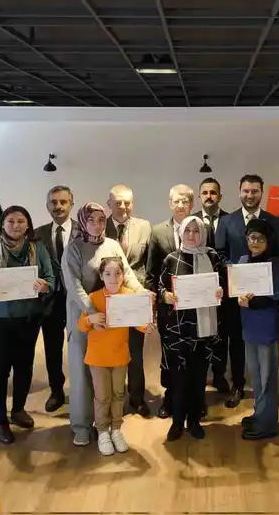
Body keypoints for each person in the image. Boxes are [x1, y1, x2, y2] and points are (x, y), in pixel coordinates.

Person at [0, 206, 55, 445]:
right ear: (2, 224)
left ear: (28, 225)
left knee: (24, 368)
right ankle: (0, 420)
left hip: (27, 319)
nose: (16, 226)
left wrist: (44, 286)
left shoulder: (38, 249)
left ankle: (18, 410)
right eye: (11, 221)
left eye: (21, 221)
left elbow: (51, 279)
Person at [63, 202, 146, 447]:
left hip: (113, 317)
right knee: (82, 372)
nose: (97, 224)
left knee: (108, 374)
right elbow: (74, 285)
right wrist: (92, 313)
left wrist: (141, 294)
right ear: (82, 221)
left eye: (101, 220)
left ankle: (109, 426)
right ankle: (81, 425)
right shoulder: (73, 248)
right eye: (91, 220)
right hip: (85, 315)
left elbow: (126, 273)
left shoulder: (111, 245)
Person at [215, 174, 279, 408]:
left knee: (263, 347)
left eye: (255, 191)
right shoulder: (227, 221)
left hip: (265, 296)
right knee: (237, 340)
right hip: (238, 293)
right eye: (246, 190)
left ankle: (264, 396)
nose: (250, 195)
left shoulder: (273, 221)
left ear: (261, 192)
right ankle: (237, 384)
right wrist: (238, 274)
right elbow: (220, 254)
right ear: (239, 191)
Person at [159, 216, 226, 441]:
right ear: (180, 233)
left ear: (203, 234)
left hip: (204, 329)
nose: (191, 235)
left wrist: (220, 291)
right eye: (187, 230)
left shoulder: (212, 257)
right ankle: (177, 422)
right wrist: (166, 296)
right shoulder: (171, 259)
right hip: (178, 329)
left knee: (199, 378)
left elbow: (224, 284)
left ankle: (195, 420)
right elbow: (160, 287)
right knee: (178, 378)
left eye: (196, 231)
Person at [78, 257, 153, 456]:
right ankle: (102, 430)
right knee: (103, 396)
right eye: (108, 274)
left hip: (120, 355)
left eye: (118, 273)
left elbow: (137, 321)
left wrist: (146, 326)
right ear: (101, 276)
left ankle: (116, 429)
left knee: (119, 394)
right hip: (98, 358)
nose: (113, 278)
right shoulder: (93, 298)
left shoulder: (129, 296)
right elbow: (81, 325)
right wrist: (90, 319)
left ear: (123, 276)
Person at [146, 184, 195, 418]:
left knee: (194, 352)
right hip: (169, 307)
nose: (181, 205)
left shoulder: (201, 229)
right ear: (170, 203)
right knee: (169, 353)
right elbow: (151, 272)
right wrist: (156, 302)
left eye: (185, 201)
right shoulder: (157, 232)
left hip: (194, 308)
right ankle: (170, 396)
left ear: (191, 205)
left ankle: (194, 399)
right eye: (177, 201)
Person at [105, 185, 152, 418]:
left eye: (127, 202)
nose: (123, 207)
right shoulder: (99, 226)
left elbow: (149, 264)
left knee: (135, 351)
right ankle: (111, 398)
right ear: (109, 204)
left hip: (135, 297)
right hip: (110, 298)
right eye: (117, 202)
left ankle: (137, 398)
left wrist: (146, 295)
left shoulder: (144, 227)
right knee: (110, 350)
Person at [236, 218, 279, 441]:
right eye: (251, 237)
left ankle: (267, 424)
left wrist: (251, 302)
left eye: (260, 238)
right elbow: (236, 288)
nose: (254, 242)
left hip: (266, 327)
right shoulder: (243, 260)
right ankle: (259, 413)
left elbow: (276, 296)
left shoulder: (275, 264)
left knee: (267, 379)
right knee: (255, 376)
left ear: (269, 240)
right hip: (249, 325)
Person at [34, 185, 78, 413]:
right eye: (54, 202)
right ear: (47, 206)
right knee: (52, 349)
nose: (58, 206)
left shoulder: (84, 231)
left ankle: (82, 390)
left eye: (63, 202)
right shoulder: (37, 234)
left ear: (71, 204)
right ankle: (56, 391)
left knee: (80, 346)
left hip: (78, 300)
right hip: (50, 301)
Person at [194, 177, 228, 250]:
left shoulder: (230, 220)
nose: (208, 196)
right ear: (199, 197)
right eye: (205, 193)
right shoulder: (192, 221)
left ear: (220, 197)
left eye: (213, 193)